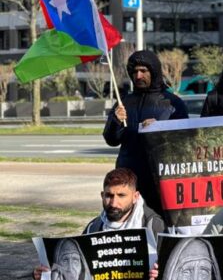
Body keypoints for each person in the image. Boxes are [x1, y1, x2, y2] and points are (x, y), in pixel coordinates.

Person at [33, 168, 165, 280]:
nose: (114, 203)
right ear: (102, 195)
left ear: (135, 197)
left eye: (121, 195)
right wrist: (42, 275)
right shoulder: (93, 227)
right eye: (109, 195)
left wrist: (161, 274)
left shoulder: (154, 226)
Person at [104, 50, 188, 215]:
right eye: (134, 72)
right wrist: (116, 121)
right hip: (129, 177)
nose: (138, 75)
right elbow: (111, 140)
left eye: (143, 71)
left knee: (159, 224)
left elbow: (185, 142)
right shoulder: (123, 103)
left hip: (160, 178)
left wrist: (160, 129)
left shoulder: (172, 103)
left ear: (154, 72)